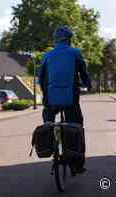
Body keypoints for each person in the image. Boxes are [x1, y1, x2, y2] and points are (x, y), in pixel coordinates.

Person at [38, 25, 92, 174]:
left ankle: (50, 144)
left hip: (50, 100)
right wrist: (88, 85)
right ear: (69, 40)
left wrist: (45, 92)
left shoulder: (46, 55)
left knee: (48, 120)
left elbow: (40, 78)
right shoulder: (75, 53)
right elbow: (84, 73)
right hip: (70, 100)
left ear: (55, 40)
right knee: (77, 126)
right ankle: (78, 164)